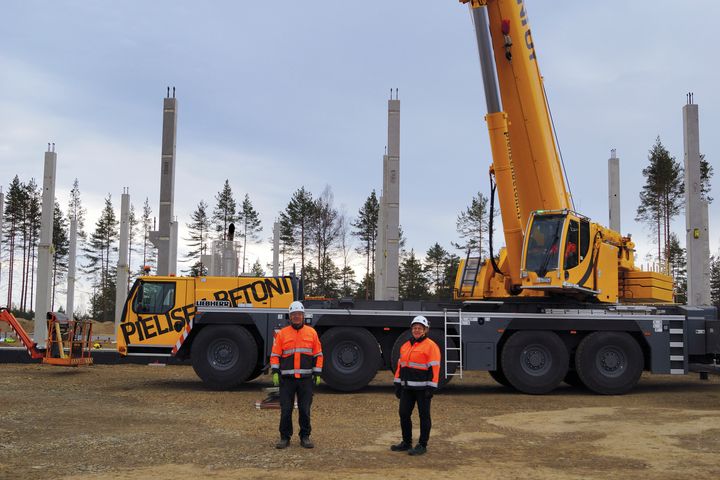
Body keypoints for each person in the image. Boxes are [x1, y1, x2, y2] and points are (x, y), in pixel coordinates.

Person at [270, 301, 323, 449]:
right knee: (286, 410)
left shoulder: (311, 333)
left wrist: (317, 372)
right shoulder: (282, 334)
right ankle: (284, 437)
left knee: (305, 409)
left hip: (305, 380)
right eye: (294, 315)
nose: (296, 317)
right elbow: (275, 355)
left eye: (299, 314)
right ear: (290, 316)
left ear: (303, 316)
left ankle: (305, 436)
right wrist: (275, 372)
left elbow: (318, 355)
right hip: (287, 380)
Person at [391, 316, 441, 456]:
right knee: (404, 414)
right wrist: (397, 384)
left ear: (425, 330)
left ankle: (422, 445)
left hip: (423, 389)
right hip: (407, 388)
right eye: (414, 328)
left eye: (420, 328)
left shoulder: (431, 346)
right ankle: (407, 443)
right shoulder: (405, 345)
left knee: (424, 416)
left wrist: (431, 388)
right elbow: (401, 366)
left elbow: (435, 368)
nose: (417, 330)